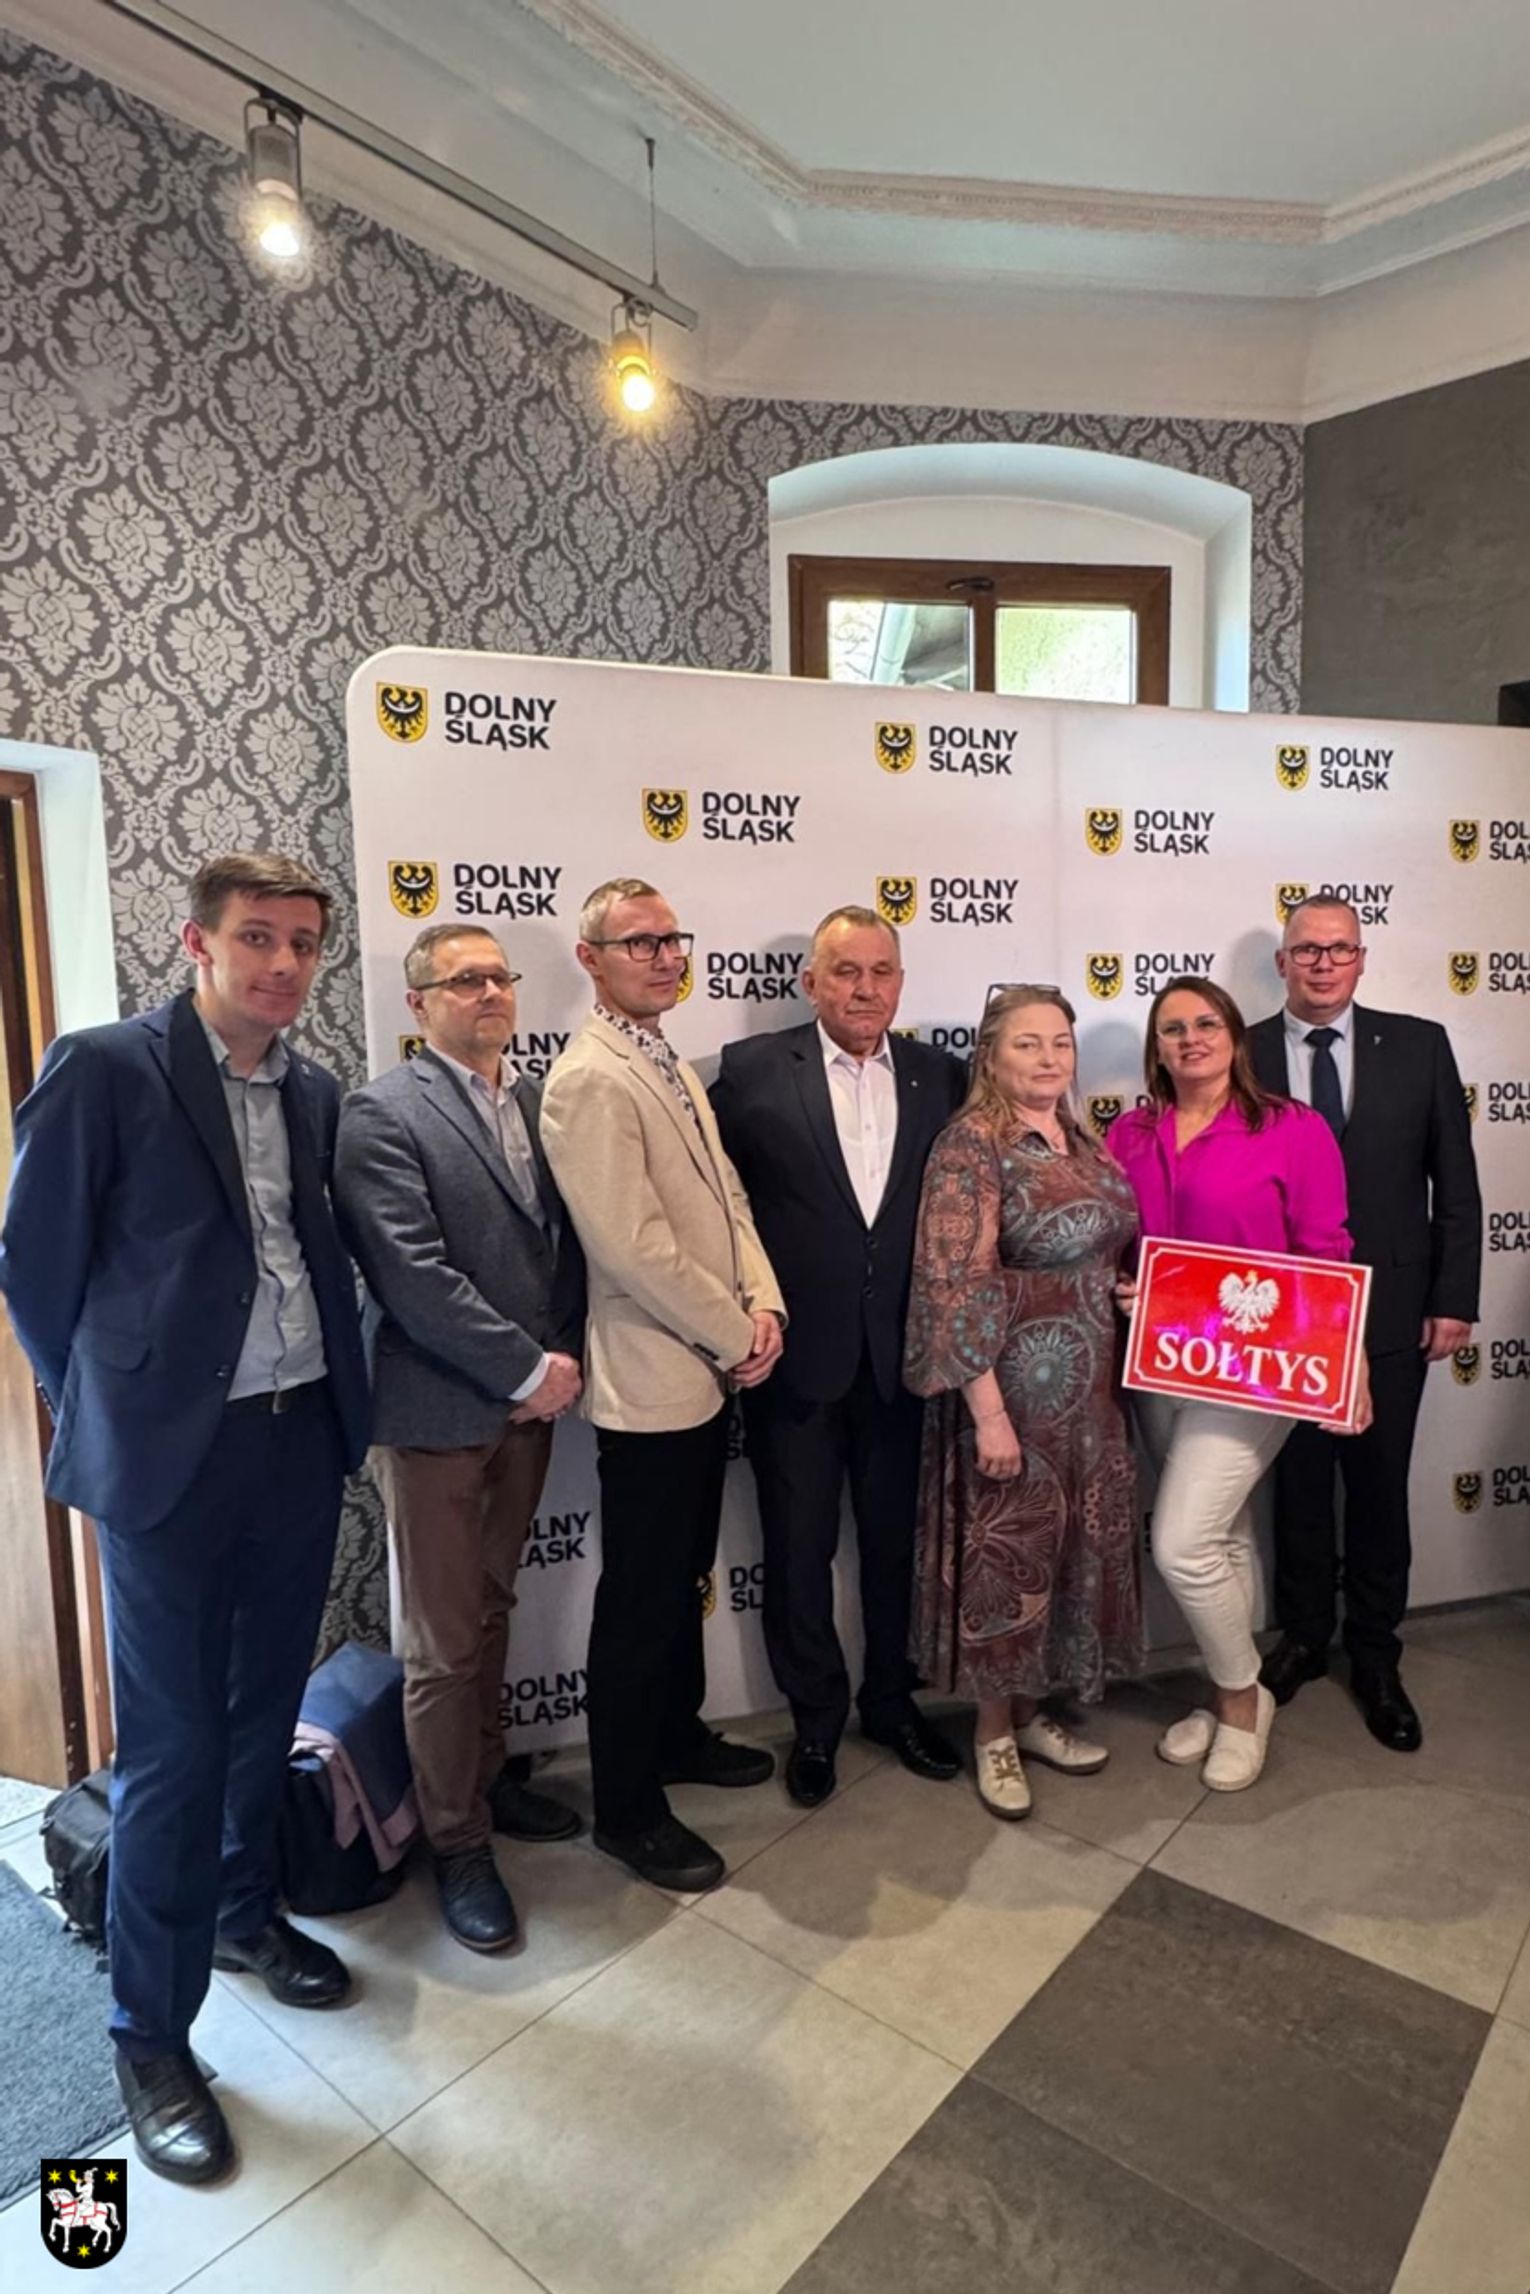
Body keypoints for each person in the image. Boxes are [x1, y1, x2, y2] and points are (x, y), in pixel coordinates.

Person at [0, 854, 369, 2185]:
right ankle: (149, 2034)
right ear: (196, 942)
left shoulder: (313, 1089)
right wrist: (113, 1401)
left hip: (295, 1435)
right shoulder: (107, 1067)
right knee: (171, 1743)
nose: (283, 964)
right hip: (170, 1460)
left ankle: (240, 1909)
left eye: (303, 943)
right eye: (257, 937)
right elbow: (33, 1266)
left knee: (263, 1707)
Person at [333, 925, 586, 1954]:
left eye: (499, 976)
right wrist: (528, 1369)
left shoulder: (532, 1100)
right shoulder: (382, 1111)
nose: (489, 992)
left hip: (526, 1410)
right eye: (464, 979)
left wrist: (555, 1361)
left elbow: (558, 1249)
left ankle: (484, 1780)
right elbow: (412, 1275)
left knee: (490, 1608)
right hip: (439, 1412)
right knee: (440, 1641)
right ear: (420, 1003)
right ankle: (456, 1842)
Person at [539, 879, 786, 1893]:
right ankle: (628, 1808)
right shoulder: (588, 1077)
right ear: (590, 958)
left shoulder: (667, 1058)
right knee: (640, 1599)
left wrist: (765, 1305)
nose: (663, 956)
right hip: (654, 1379)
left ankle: (677, 1735)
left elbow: (726, 1203)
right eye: (637, 942)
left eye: (672, 939)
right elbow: (631, 1247)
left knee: (681, 1576)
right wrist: (733, 1333)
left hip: (710, 1367)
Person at [710, 906, 966, 1808]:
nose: (865, 989)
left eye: (881, 971)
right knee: (797, 1552)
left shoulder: (942, 1076)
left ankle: (893, 1703)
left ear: (901, 982)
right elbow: (717, 1207)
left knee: (897, 1548)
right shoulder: (748, 1072)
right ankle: (814, 1722)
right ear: (810, 982)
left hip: (904, 1363)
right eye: (846, 971)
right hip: (794, 1363)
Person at [1108, 975, 1366, 1793]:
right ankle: (1234, 1695)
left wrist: (1350, 1358)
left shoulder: (1293, 1128)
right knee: (1222, 1539)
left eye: (1206, 1023)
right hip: (1160, 1364)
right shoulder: (1129, 1133)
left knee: (1182, 1542)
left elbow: (1326, 1252)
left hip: (1257, 1370)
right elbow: (1117, 1242)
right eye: (1173, 1028)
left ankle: (1242, 1702)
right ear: (1157, 1047)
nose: (1190, 1039)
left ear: (1233, 1037)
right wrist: (1123, 1284)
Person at [1248, 896, 1482, 1751]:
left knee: (1380, 1489)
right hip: (1281, 1314)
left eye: (1339, 949)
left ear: (1361, 959)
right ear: (1283, 963)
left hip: (1391, 1311)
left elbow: (1455, 1184)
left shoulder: (1420, 1046)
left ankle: (1377, 1655)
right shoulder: (1240, 1051)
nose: (1323, 963)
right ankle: (1306, 1637)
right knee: (1300, 1487)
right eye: (1307, 950)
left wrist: (1453, 1298)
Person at [903, 987, 1143, 1819]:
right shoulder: (970, 1145)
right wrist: (989, 1414)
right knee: (1006, 1563)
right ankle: (992, 1735)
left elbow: (1094, 1248)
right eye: (1028, 1044)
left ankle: (1035, 1713)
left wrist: (1121, 1290)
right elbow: (952, 1283)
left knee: (1066, 1553)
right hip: (1011, 1393)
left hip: (1092, 1393)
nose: (1049, 1059)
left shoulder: (1082, 1135)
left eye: (1061, 1043)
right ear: (990, 1056)